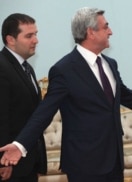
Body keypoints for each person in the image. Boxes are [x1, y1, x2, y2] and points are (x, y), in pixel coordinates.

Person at [0, 7, 132, 182]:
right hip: (84, 164)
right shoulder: (64, 70)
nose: (110, 31)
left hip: (114, 160)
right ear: (91, 33)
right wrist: (20, 145)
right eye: (105, 27)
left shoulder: (110, 64)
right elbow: (44, 112)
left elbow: (129, 97)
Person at [0, 13, 47, 181]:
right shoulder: (2, 67)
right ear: (11, 40)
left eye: (36, 34)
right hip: (10, 164)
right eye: (29, 36)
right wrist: (3, 163)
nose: (36, 40)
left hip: (28, 163)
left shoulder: (27, 68)